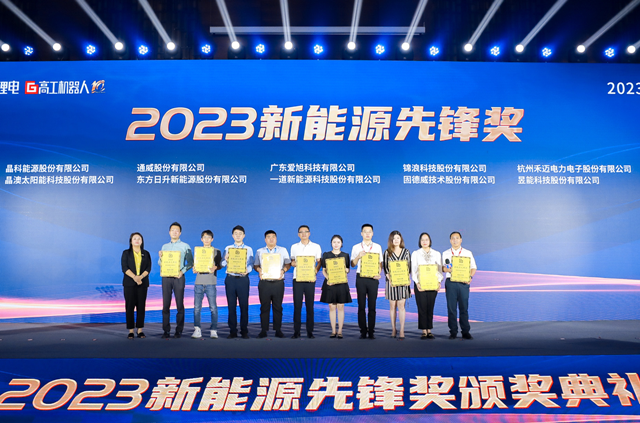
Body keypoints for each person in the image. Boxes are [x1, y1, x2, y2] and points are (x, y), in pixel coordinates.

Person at [158, 222, 193, 339]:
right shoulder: (164, 247)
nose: (174, 232)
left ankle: (179, 330)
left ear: (180, 233)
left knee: (179, 305)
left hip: (179, 277)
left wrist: (181, 272)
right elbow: (161, 264)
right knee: (165, 305)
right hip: (166, 278)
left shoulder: (185, 246)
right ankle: (166, 331)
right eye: (172, 230)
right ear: (169, 232)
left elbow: (191, 263)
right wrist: (160, 257)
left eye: (177, 230)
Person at [254, 230, 291, 339]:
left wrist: (283, 270)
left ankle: (278, 330)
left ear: (276, 238)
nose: (271, 239)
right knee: (264, 307)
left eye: (273, 237)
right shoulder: (260, 251)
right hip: (264, 283)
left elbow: (288, 264)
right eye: (268, 237)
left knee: (278, 307)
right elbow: (256, 265)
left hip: (278, 283)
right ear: (265, 239)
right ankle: (263, 330)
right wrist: (259, 270)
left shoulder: (282, 250)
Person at [442, 231, 477, 340]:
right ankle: (453, 331)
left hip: (463, 283)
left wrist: (470, 277)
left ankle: (465, 331)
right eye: (453, 238)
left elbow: (473, 267)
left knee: (464, 308)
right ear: (450, 240)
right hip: (451, 282)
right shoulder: (445, 253)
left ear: (461, 240)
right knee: (451, 308)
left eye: (457, 238)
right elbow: (442, 268)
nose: (455, 240)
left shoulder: (467, 253)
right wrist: (447, 269)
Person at [221, 225, 254, 339]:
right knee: (231, 306)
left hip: (243, 279)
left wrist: (247, 271)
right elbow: (221, 264)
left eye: (240, 233)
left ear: (244, 235)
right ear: (232, 235)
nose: (238, 235)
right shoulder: (228, 248)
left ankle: (244, 331)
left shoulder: (249, 249)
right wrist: (225, 259)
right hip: (230, 279)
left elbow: (251, 264)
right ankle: (233, 331)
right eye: (236, 233)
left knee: (244, 306)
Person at [350, 223, 383, 339]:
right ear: (361, 233)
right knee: (361, 305)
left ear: (372, 233)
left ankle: (371, 331)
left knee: (372, 306)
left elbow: (380, 263)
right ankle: (363, 331)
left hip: (373, 278)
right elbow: (352, 264)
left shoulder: (377, 247)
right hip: (361, 278)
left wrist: (379, 273)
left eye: (369, 231)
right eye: (365, 231)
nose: (367, 234)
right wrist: (358, 256)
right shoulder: (356, 247)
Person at [290, 225, 322, 339]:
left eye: (306, 231)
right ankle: (296, 331)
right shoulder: (294, 247)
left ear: (309, 233)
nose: (303, 234)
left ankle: (310, 332)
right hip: (297, 279)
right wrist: (293, 263)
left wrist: (315, 271)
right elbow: (292, 261)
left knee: (310, 306)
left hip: (310, 279)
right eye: (301, 232)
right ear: (298, 234)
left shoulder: (316, 246)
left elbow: (319, 261)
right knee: (297, 306)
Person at [191, 230, 222, 339]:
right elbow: (194, 265)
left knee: (213, 307)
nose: (207, 239)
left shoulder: (217, 251)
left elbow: (220, 265)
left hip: (211, 282)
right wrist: (194, 269)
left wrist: (216, 267)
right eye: (204, 237)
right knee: (197, 308)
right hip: (199, 282)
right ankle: (197, 329)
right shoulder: (198, 251)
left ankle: (214, 330)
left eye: (209, 237)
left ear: (212, 239)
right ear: (201, 239)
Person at [411, 232, 443, 339]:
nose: (424, 242)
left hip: (433, 284)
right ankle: (424, 330)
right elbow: (413, 270)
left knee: (430, 306)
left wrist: (439, 282)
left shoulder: (436, 253)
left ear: (430, 241)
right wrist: (417, 282)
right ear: (420, 242)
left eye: (426, 239)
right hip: (420, 284)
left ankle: (429, 329)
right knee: (422, 307)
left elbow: (439, 270)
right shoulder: (416, 253)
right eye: (422, 240)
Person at [320, 235, 351, 338]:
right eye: (334, 242)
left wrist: (347, 270)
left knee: (341, 306)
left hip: (341, 283)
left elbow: (348, 269)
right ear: (331, 243)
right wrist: (328, 279)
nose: (336, 244)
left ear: (341, 244)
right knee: (332, 307)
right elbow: (324, 270)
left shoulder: (345, 255)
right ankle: (333, 331)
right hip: (330, 283)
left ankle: (340, 331)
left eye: (338, 242)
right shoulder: (326, 255)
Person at [121, 232, 151, 339]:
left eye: (139, 238)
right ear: (131, 241)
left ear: (142, 241)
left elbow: (148, 268)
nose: (137, 240)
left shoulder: (146, 253)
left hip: (142, 284)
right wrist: (135, 277)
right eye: (135, 238)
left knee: (141, 306)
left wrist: (140, 277)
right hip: (129, 284)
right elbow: (124, 267)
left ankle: (140, 330)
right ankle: (131, 330)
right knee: (129, 307)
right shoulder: (126, 253)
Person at [383, 230, 412, 340]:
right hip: (391, 283)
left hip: (403, 283)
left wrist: (408, 278)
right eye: (394, 238)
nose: (396, 240)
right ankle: (393, 329)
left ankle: (402, 330)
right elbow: (385, 268)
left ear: (401, 240)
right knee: (392, 306)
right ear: (391, 240)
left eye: (398, 238)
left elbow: (409, 267)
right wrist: (390, 280)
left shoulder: (406, 252)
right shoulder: (387, 252)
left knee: (401, 306)